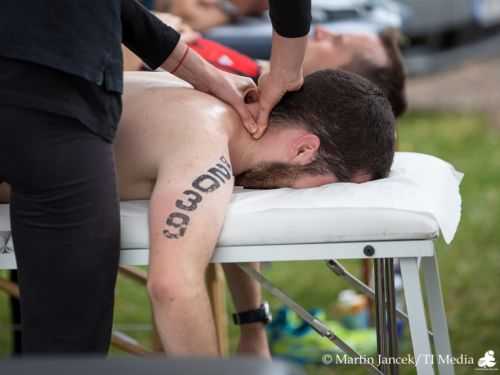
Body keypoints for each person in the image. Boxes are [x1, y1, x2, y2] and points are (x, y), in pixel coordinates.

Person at [2, 68, 395, 355]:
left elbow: (222, 212)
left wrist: (253, 329)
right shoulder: (205, 147)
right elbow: (173, 287)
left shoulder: (220, 96)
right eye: (332, 183)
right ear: (305, 149)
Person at [0, 0, 308, 354]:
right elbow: (173, 287)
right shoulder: (207, 136)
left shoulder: (214, 120)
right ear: (305, 149)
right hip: (55, 101)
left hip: (57, 91)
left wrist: (200, 69)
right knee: (68, 347)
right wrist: (287, 64)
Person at [124, 15, 407, 117]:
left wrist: (159, 33)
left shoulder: (240, 91)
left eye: (336, 42)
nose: (321, 31)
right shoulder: (254, 71)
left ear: (341, 79)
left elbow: (123, 79)